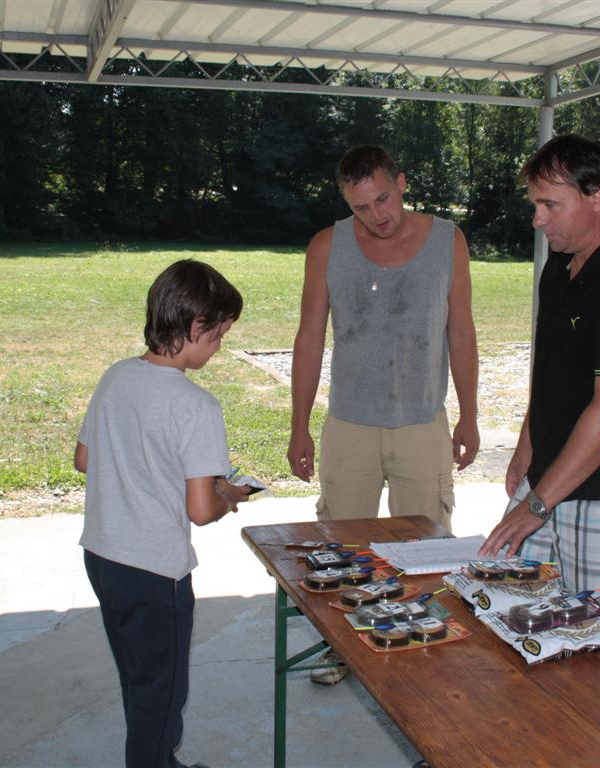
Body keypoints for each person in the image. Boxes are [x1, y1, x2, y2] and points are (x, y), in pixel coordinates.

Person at [287, 144, 479, 684]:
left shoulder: (447, 241)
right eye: (361, 207)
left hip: (422, 421)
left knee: (427, 548)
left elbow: (461, 330)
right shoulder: (327, 246)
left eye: (383, 199)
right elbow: (309, 338)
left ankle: (425, 647)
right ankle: (343, 647)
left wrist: (468, 415)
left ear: (402, 182)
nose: (376, 215)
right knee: (342, 547)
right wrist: (299, 426)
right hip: (349, 423)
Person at [478, 134, 600, 652]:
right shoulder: (560, 264)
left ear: (598, 196)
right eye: (534, 205)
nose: (537, 220)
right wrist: (527, 446)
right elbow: (550, 369)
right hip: (551, 481)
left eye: (550, 205)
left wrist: (537, 504)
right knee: (517, 619)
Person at [74, 259, 252, 768]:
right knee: (162, 698)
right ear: (197, 326)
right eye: (219, 336)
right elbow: (201, 511)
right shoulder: (197, 406)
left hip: (103, 556)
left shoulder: (116, 376)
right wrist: (229, 496)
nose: (218, 348)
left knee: (138, 679)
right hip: (154, 571)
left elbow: (84, 459)